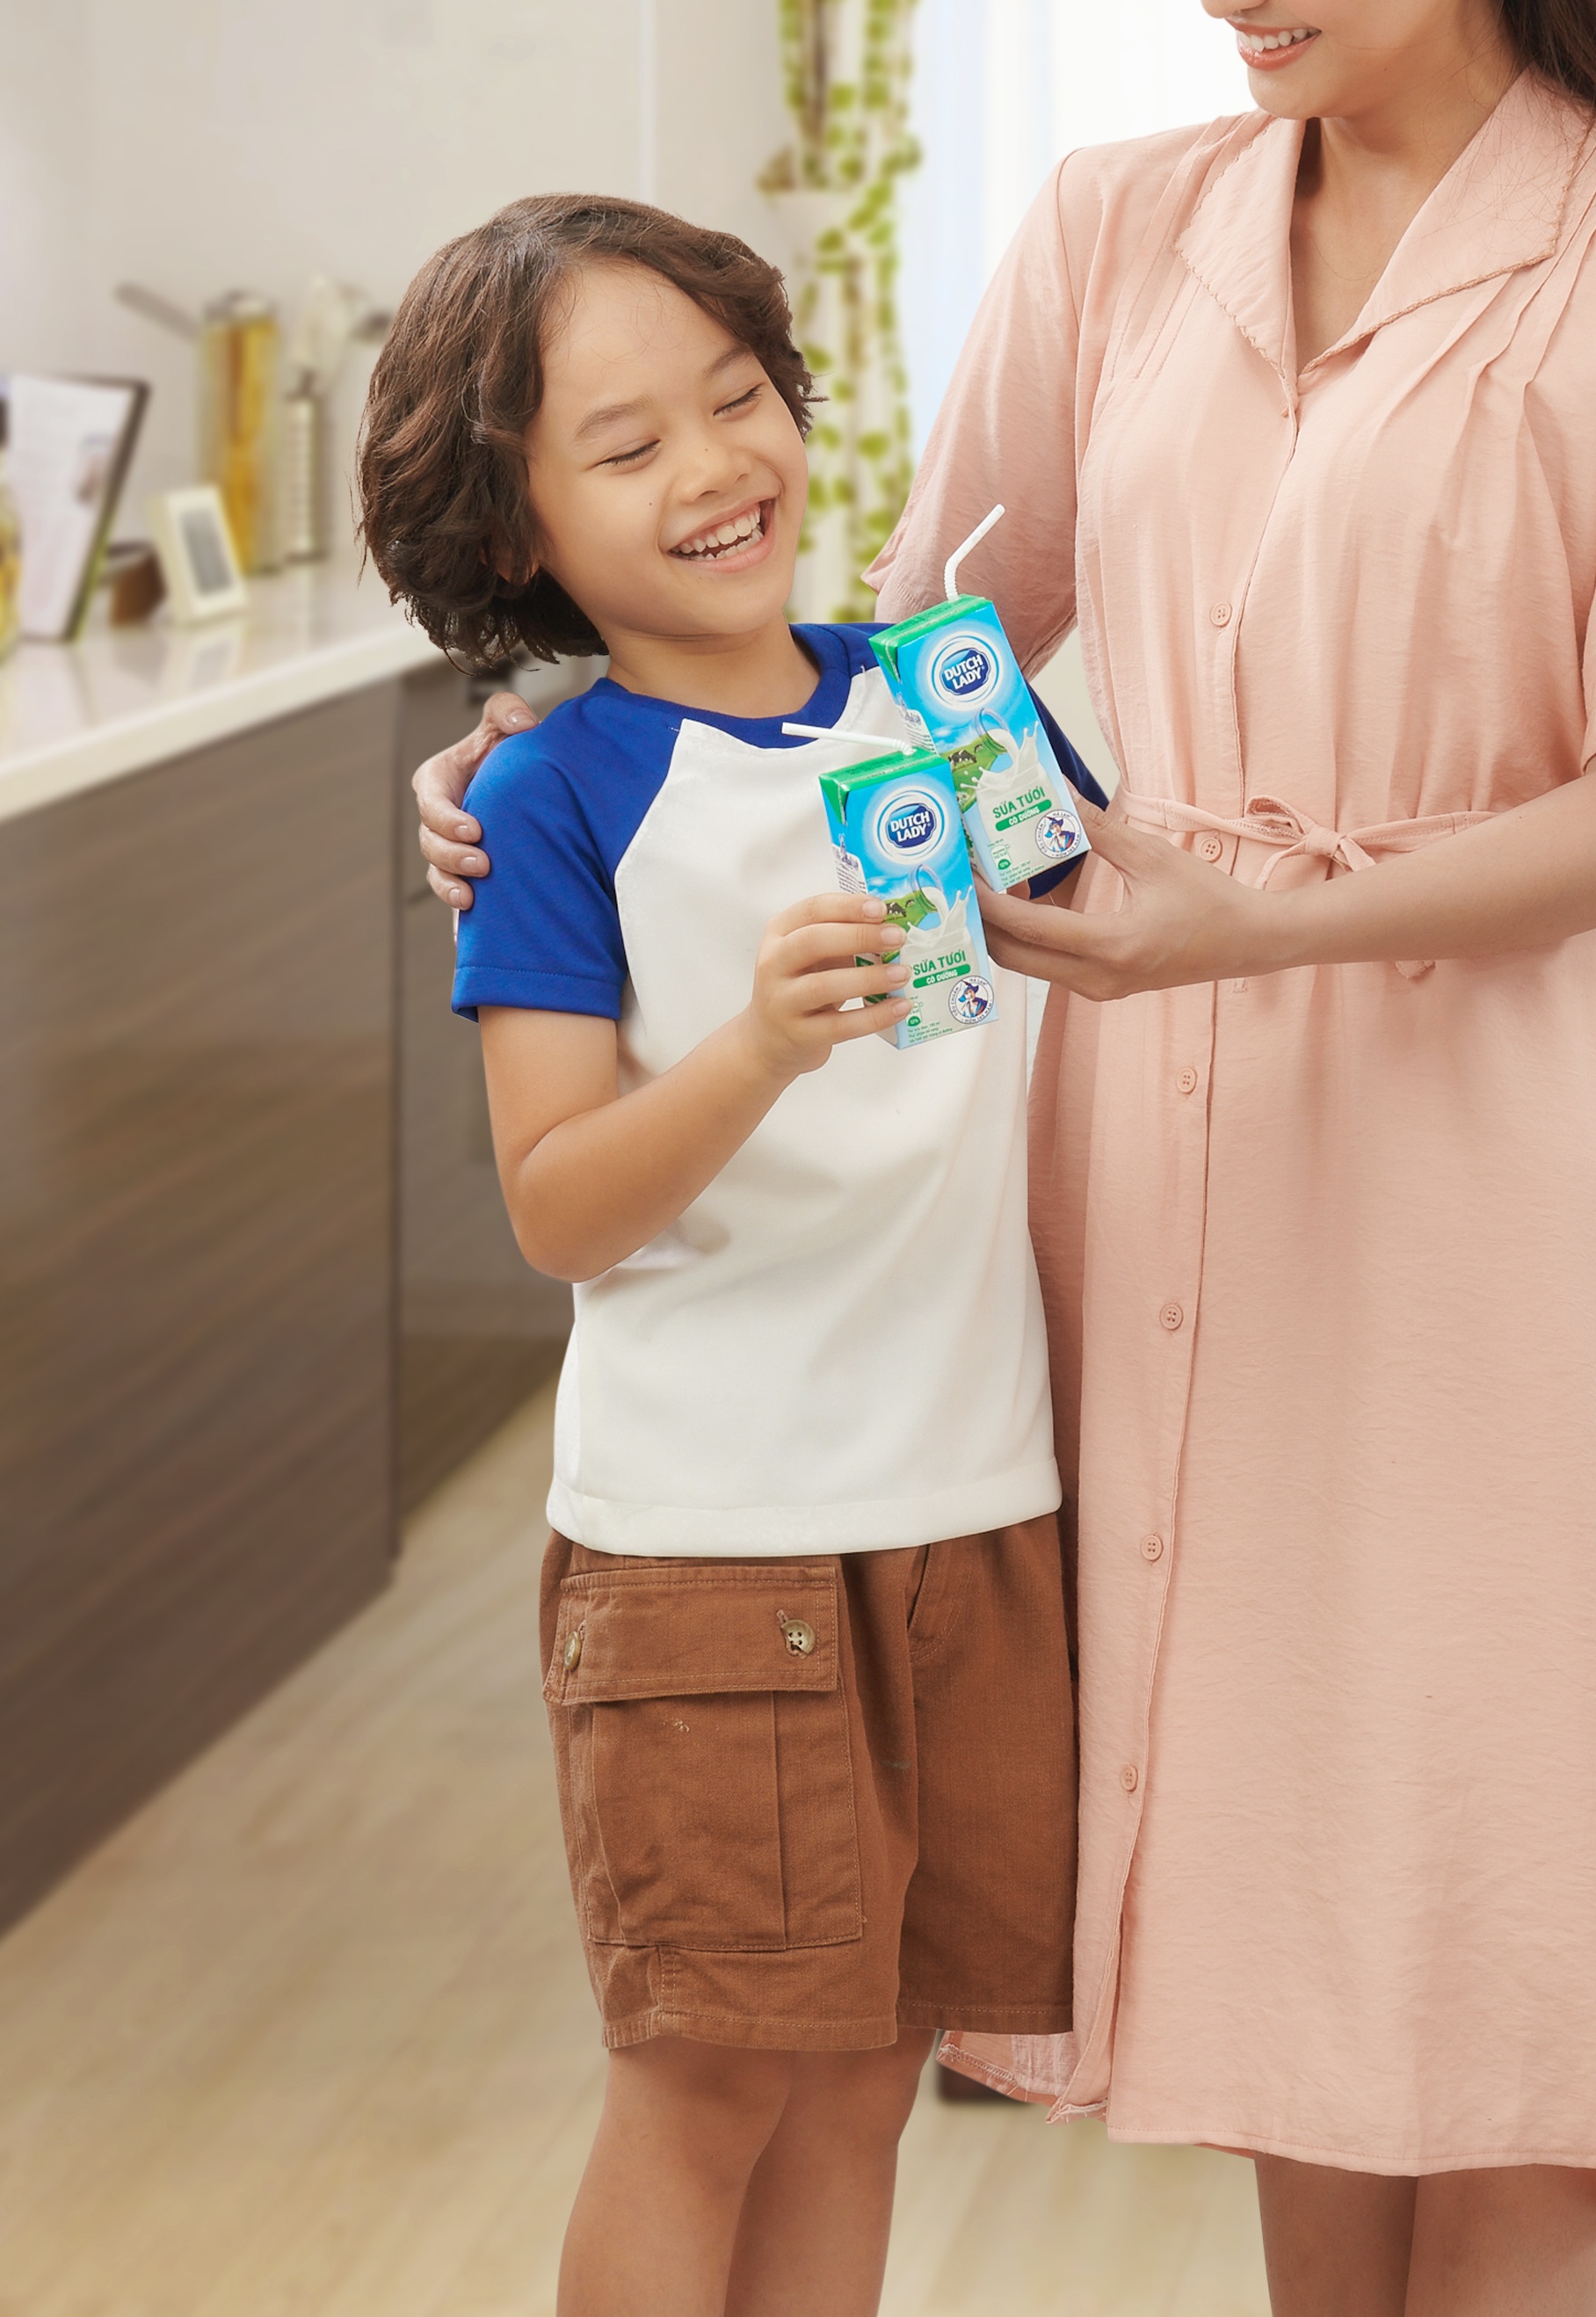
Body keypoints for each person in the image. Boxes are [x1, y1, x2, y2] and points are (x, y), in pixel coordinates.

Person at [419, 0, 1596, 2317]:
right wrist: (539, 738)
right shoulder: (1111, 227)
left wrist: (1242, 928)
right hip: (1135, 1172)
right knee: (1291, 1910)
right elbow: (873, 654)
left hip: (1455, 1174)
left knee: (1487, 1901)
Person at [359, 193, 1093, 2317]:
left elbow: (1133, 925)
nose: (713, 464)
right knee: (701, 2089)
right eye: (624, 444)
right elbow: (557, 1205)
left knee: (862, 2082)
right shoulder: (553, 797)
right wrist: (759, 1045)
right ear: (515, 533)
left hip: (972, 1503)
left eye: (737, 394)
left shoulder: (944, 703)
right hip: (712, 1544)